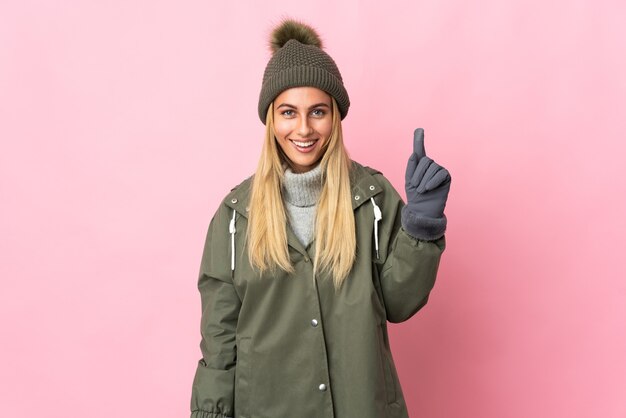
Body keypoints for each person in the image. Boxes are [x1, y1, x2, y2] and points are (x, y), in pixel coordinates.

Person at [190, 17, 451, 418]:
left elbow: (399, 303)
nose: (304, 128)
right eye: (289, 112)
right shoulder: (234, 217)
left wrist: (420, 227)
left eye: (318, 112)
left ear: (336, 117)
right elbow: (219, 339)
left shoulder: (372, 200)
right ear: (271, 119)